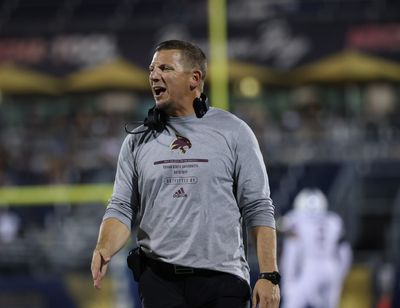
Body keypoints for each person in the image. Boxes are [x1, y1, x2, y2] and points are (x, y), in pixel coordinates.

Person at [91, 39, 280, 308]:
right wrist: (103, 247)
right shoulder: (137, 141)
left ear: (194, 78)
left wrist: (269, 275)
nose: (154, 76)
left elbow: (258, 207)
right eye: (151, 70)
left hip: (222, 280)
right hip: (160, 282)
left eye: (165, 68)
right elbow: (121, 207)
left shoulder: (234, 132)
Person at [279, 188, 352, 308]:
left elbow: (291, 253)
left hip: (308, 267)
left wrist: (288, 282)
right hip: (331, 266)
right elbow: (345, 252)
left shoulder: (294, 218)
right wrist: (340, 273)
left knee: (291, 303)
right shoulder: (334, 220)